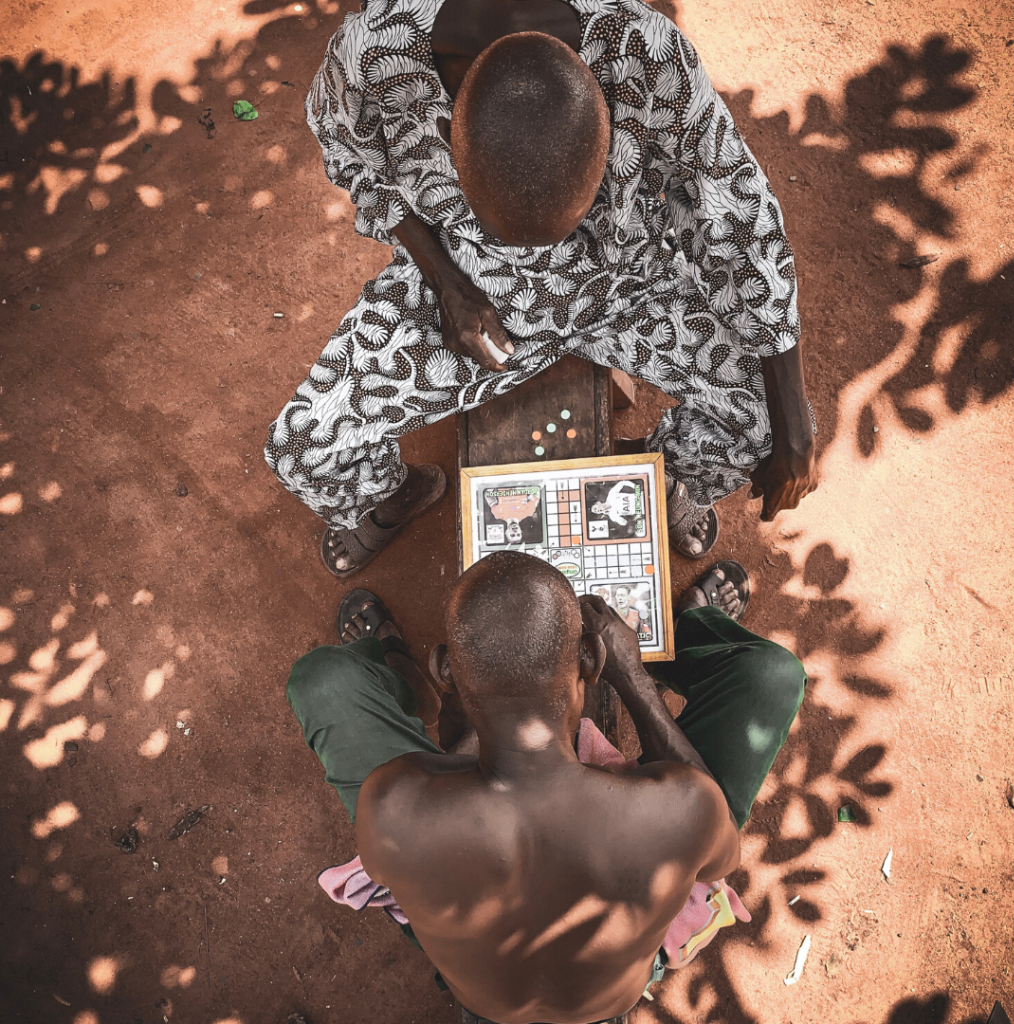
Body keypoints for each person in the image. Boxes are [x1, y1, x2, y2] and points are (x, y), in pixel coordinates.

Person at [264, 0, 818, 579]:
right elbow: (353, 160)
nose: (535, 258)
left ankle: (666, 478)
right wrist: (445, 279)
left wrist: (795, 429)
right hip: (464, 292)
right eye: (504, 228)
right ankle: (396, 495)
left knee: (767, 421)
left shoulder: (647, 54)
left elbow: (742, 218)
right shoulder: (374, 53)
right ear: (452, 145)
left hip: (625, 286)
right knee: (302, 447)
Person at [286, 551, 805, 1023]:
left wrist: (476, 723)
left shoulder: (394, 804)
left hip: (479, 991)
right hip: (608, 1000)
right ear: (593, 660)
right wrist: (635, 681)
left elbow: (406, 845)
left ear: (445, 670)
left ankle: (398, 669)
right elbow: (720, 861)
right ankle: (682, 628)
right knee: (772, 676)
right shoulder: (680, 809)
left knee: (322, 680)